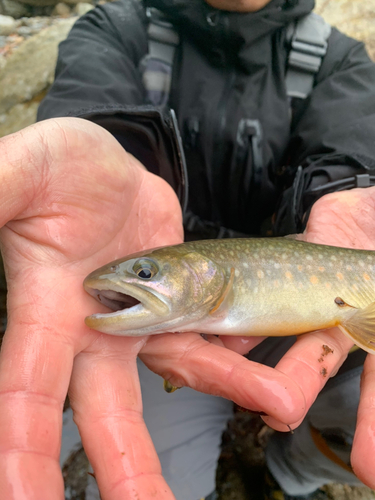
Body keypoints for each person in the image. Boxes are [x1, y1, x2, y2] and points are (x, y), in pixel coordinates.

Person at [0, 0, 374, 499]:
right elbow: (90, 98)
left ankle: (290, 474)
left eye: (145, 272)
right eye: (146, 273)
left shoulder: (340, 59)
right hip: (167, 346)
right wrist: (107, 150)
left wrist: (351, 190)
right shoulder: (117, 29)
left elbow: (348, 150)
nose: (138, 277)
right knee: (123, 473)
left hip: (323, 329)